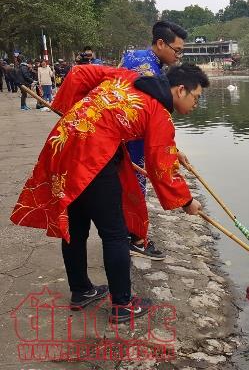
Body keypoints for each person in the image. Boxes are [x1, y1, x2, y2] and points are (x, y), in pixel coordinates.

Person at [11, 63, 209, 323]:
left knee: (77, 225)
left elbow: (79, 73)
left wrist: (73, 111)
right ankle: (122, 305)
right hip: (93, 159)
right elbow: (161, 166)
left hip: (65, 144)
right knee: (115, 234)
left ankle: (81, 291)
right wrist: (186, 201)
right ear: (181, 89)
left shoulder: (129, 77)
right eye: (196, 98)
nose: (196, 104)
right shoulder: (159, 111)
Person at [120, 20, 188, 260]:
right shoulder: (146, 67)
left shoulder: (140, 58)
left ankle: (128, 235)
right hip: (131, 136)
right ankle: (135, 239)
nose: (178, 56)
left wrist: (174, 148)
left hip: (128, 132)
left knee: (130, 184)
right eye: (176, 50)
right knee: (135, 185)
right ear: (160, 43)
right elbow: (158, 107)